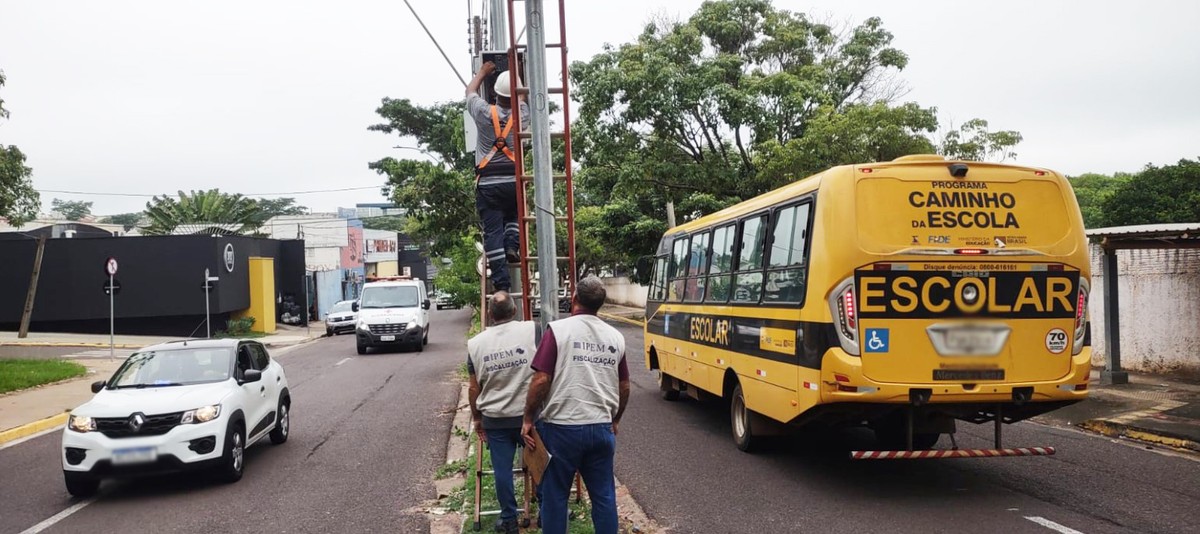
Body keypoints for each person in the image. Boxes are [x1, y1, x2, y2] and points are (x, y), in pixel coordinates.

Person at [522, 276, 630, 534]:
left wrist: (527, 418)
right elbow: (624, 386)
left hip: (562, 430)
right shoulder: (615, 337)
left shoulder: (558, 331)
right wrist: (615, 420)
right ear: (600, 304)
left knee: (556, 496)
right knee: (604, 496)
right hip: (601, 429)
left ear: (574, 299)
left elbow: (541, 380)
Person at [467, 291, 537, 534]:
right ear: (515, 310)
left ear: (488, 314)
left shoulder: (476, 344)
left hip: (495, 418)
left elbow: (474, 386)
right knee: (542, 464)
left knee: (502, 471)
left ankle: (508, 519)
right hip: (528, 415)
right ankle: (550, 510)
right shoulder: (532, 330)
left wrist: (477, 419)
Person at [466, 61, 528, 291]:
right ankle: (512, 245)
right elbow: (520, 99)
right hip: (513, 182)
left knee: (492, 231)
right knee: (514, 215)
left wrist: (482, 72)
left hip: (489, 185)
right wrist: (519, 77)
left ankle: (501, 285)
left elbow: (470, 91)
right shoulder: (522, 114)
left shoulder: (483, 111)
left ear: (494, 93)